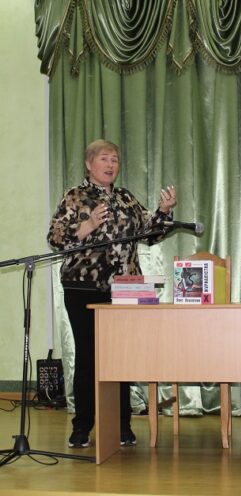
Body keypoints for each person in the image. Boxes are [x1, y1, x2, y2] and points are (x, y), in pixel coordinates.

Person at [47, 139, 177, 448]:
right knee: (89, 355)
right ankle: (82, 426)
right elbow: (55, 239)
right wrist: (88, 225)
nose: (110, 165)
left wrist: (163, 211)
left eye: (115, 160)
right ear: (89, 164)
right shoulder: (74, 196)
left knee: (120, 356)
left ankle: (122, 425)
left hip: (125, 287)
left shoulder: (125, 198)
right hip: (83, 286)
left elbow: (151, 233)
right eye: (104, 159)